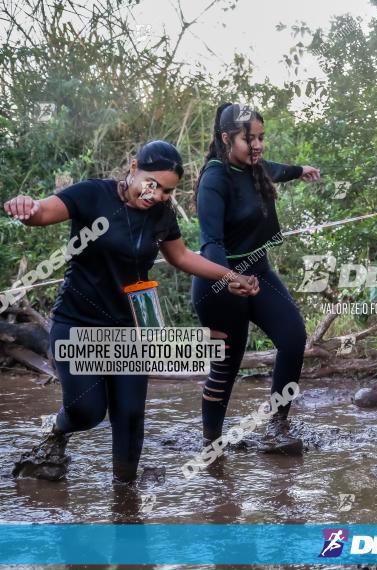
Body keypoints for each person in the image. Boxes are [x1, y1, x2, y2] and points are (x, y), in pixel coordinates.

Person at [5, 140, 259, 483]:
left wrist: (230, 276)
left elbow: (181, 256)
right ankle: (58, 430)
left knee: (129, 414)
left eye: (168, 191)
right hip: (77, 322)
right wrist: (26, 206)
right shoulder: (92, 195)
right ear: (133, 165)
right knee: (87, 410)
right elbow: (42, 213)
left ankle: (125, 497)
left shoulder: (162, 215)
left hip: (130, 327)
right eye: (152, 184)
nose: (157, 196)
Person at [192, 103, 321, 455]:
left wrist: (300, 170)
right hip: (219, 284)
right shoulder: (214, 179)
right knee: (227, 363)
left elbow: (274, 170)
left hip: (258, 273)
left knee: (293, 338)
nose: (258, 145)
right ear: (225, 138)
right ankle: (211, 442)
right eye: (250, 139)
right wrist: (229, 277)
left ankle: (278, 425)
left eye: (262, 137)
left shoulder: (254, 167)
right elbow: (211, 243)